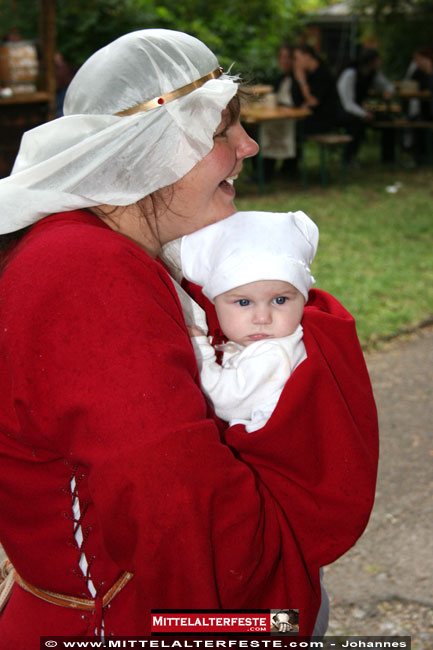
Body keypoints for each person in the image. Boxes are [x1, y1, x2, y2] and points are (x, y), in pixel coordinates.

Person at [0, 29, 378, 647]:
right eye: (221, 132)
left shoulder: (114, 248)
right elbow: (179, 515)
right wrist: (273, 612)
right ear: (150, 148)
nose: (248, 146)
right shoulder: (83, 270)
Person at [179, 210, 318, 433]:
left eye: (279, 300)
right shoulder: (275, 342)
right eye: (244, 303)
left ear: (303, 299)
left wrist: (200, 354)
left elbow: (226, 403)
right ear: (216, 303)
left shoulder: (272, 354)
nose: (262, 318)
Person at [337, 48, 395, 164]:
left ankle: (388, 158)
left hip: (359, 110)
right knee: (357, 123)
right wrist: (363, 113)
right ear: (371, 61)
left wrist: (388, 91)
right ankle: (347, 158)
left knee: (389, 122)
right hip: (343, 111)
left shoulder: (373, 73)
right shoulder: (351, 73)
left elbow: (388, 85)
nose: (380, 62)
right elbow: (347, 102)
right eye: (378, 59)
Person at [260, 44, 298, 179]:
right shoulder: (280, 78)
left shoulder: (298, 78)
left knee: (268, 131)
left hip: (292, 119)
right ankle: (265, 172)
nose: (284, 61)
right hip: (277, 117)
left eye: (288, 57)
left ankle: (267, 173)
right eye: (281, 57)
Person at [291, 44, 342, 135]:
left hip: (325, 118)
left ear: (307, 56)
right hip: (314, 116)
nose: (296, 63)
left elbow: (313, 101)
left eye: (297, 58)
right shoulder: (309, 73)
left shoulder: (323, 73)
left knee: (293, 128)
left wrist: (302, 81)